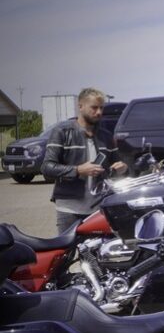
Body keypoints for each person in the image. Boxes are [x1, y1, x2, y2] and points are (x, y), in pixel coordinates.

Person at [41, 87, 127, 233]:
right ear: (80, 106)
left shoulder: (106, 136)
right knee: (65, 253)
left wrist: (123, 168)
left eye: (101, 108)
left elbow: (116, 167)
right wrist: (78, 170)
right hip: (69, 208)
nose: (99, 112)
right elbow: (47, 167)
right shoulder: (62, 132)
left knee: (96, 254)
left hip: (99, 208)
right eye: (94, 107)